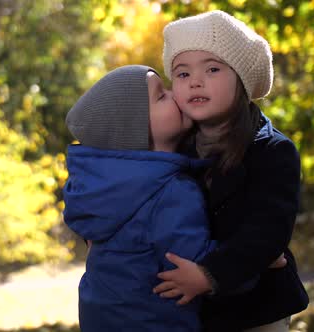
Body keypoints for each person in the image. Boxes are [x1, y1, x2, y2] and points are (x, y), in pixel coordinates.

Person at [153, 10, 309, 332]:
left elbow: (268, 232)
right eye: (182, 74)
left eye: (212, 69)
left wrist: (210, 273)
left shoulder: (272, 151)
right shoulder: (173, 146)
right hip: (197, 311)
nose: (195, 80)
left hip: (257, 308)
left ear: (241, 79)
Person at [62, 65, 217, 331]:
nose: (174, 95)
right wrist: (250, 261)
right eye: (161, 96)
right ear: (134, 129)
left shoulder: (100, 188)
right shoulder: (170, 190)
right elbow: (192, 260)